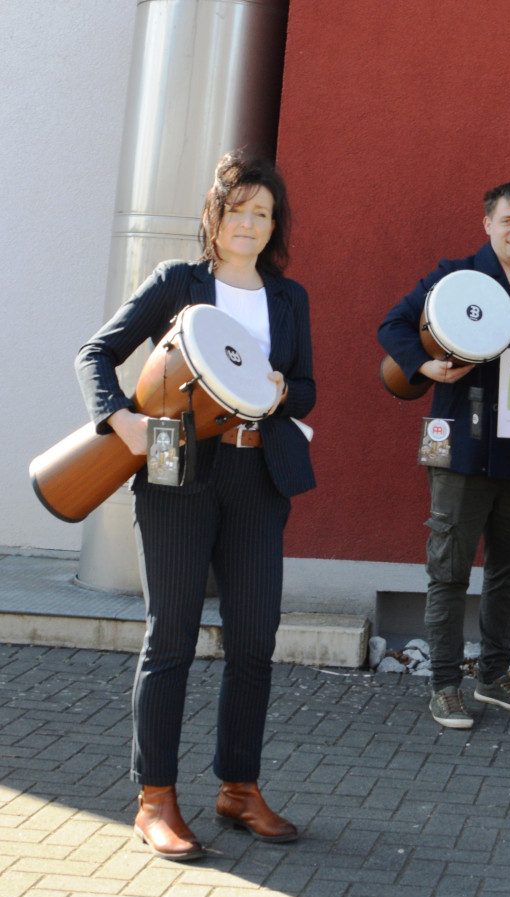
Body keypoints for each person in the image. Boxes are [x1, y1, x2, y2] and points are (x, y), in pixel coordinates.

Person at [76, 151, 315, 860]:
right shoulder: (178, 283)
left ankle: (238, 788)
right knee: (171, 637)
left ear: (275, 226)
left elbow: (305, 388)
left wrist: (282, 391)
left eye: (263, 213)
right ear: (216, 215)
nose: (250, 223)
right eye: (238, 209)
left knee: (253, 641)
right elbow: (98, 352)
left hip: (259, 475)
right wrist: (117, 419)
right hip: (177, 472)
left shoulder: (289, 297)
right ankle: (155, 799)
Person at [378, 182, 510, 730]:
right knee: (448, 570)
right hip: (459, 446)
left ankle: (493, 677)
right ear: (487, 225)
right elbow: (393, 325)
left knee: (508, 571)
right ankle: (445, 685)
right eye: (506, 221)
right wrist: (422, 368)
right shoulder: (454, 279)